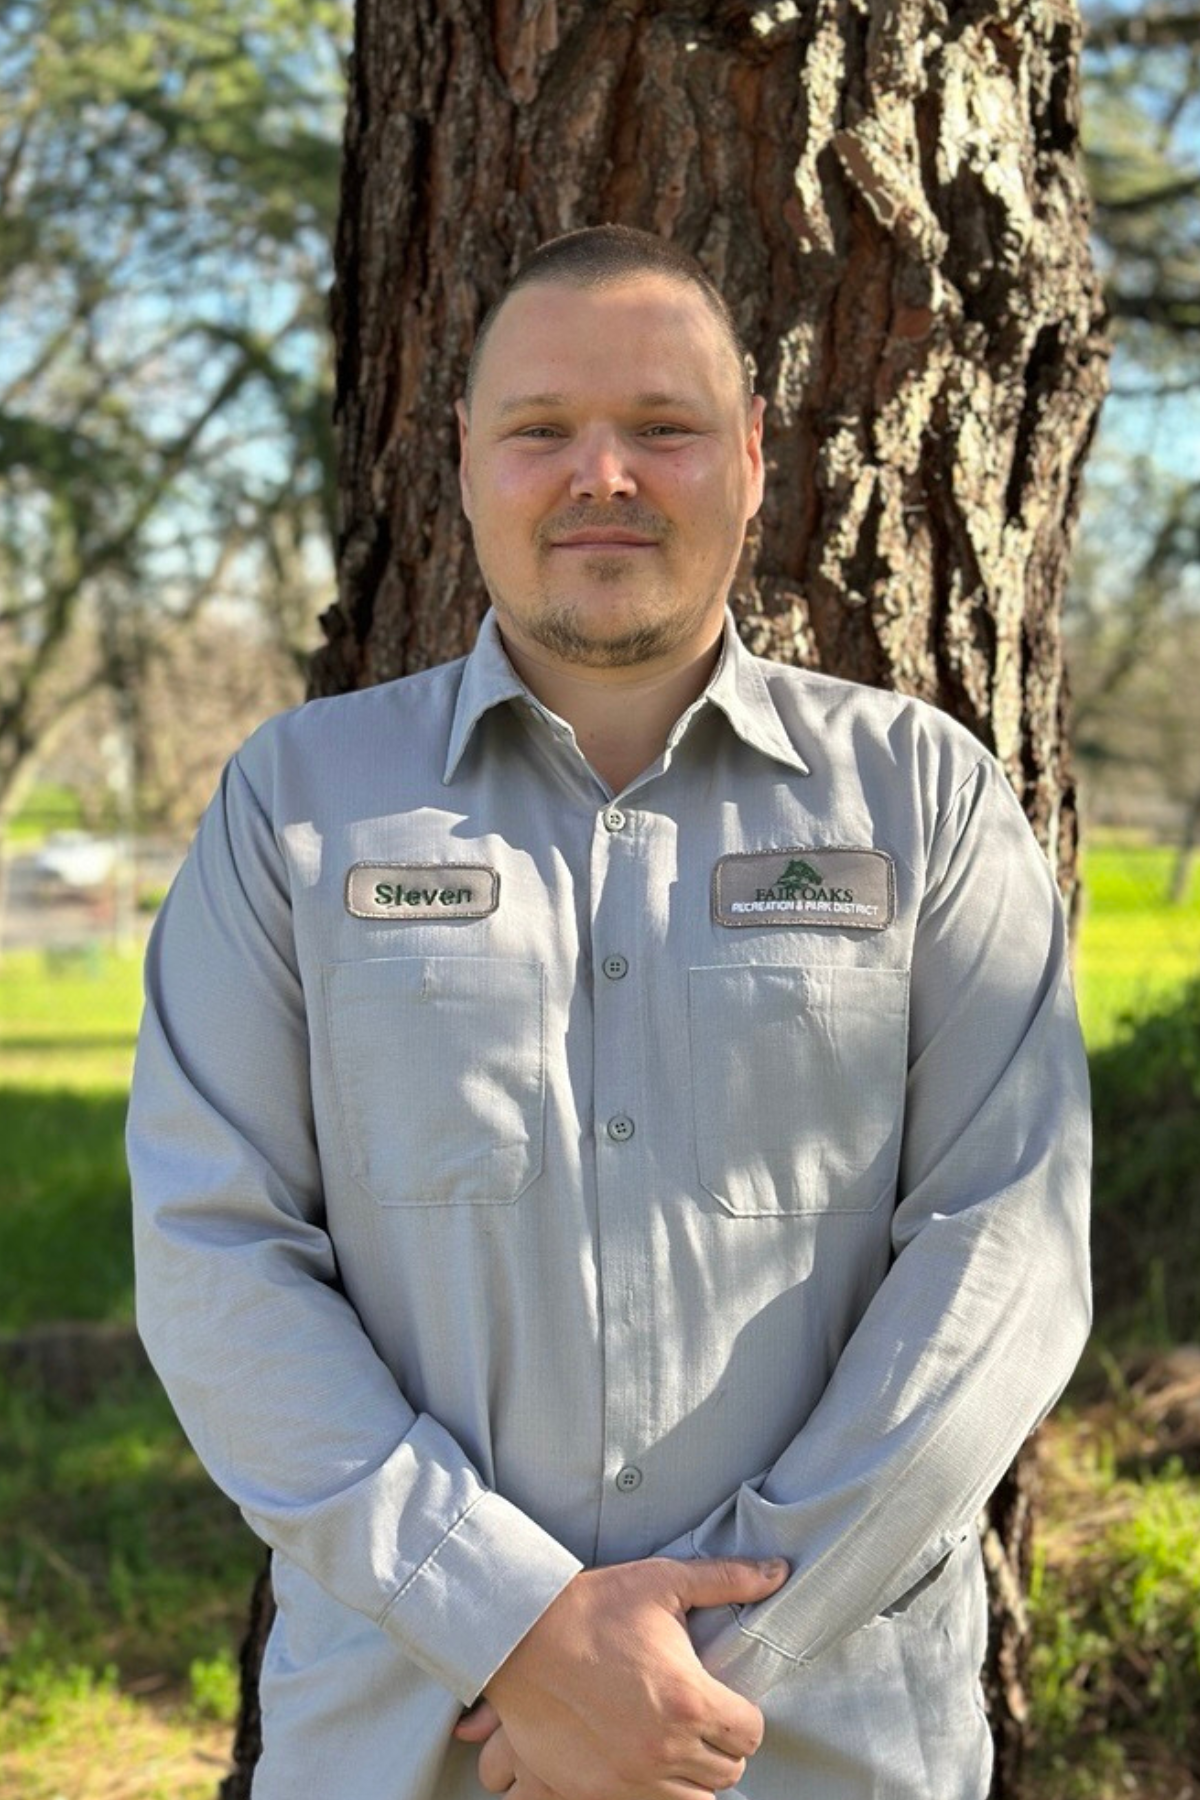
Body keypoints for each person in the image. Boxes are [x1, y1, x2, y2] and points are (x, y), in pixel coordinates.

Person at [127, 225, 1091, 1800]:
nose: (604, 475)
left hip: (818, 1747)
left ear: (756, 458)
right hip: (416, 1739)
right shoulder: (294, 810)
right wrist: (511, 1630)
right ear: (460, 462)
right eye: (539, 430)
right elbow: (213, 1254)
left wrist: (702, 1672)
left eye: (663, 426)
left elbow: (1013, 1252)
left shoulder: (923, 797)